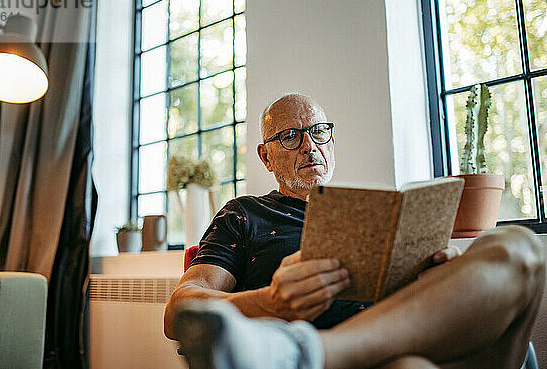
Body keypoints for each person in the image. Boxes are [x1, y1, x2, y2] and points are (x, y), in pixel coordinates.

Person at [164, 93, 545, 369]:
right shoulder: (245, 214)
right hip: (396, 360)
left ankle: (311, 352)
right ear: (266, 156)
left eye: (318, 132)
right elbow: (179, 309)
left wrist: (436, 274)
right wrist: (270, 303)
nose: (310, 147)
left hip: (416, 338)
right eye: (291, 137)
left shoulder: (374, 215)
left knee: (518, 247)